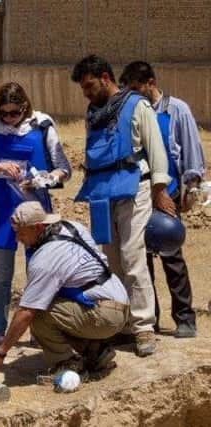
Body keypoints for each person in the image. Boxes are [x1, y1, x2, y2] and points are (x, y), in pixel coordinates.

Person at [70, 55, 175, 357]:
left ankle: (143, 327)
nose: (86, 94)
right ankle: (121, 325)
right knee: (110, 261)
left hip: (134, 187)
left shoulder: (136, 105)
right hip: (102, 191)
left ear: (105, 77)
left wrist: (160, 190)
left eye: (89, 86)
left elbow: (156, 148)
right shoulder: (93, 112)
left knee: (132, 257)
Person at [0, 202, 129, 376]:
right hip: (119, 301)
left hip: (105, 313)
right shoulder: (73, 227)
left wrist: (0, 352)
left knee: (38, 313)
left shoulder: (44, 260)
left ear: (37, 227)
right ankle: (96, 351)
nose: (17, 239)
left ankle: (67, 365)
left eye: (20, 232)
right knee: (54, 303)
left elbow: (26, 312)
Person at [0, 82, 71, 349]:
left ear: (24, 107)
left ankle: (41, 333)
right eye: (3, 113)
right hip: (3, 213)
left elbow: (64, 169)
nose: (8, 119)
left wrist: (42, 180)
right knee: (2, 276)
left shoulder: (42, 126)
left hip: (37, 217)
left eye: (13, 113)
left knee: (39, 274)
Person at [120, 61, 206, 338]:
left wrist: (190, 190)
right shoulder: (131, 112)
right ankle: (150, 319)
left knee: (172, 257)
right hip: (138, 196)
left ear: (151, 83)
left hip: (167, 196)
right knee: (141, 263)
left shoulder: (176, 110)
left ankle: (185, 318)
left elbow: (191, 152)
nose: (132, 95)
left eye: (136, 89)